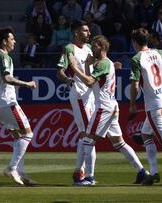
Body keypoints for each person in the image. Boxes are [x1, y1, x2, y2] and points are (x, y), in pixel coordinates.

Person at [68, 35, 149, 185]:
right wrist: (87, 65)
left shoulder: (103, 64)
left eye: (94, 46)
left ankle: (89, 178)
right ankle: (142, 172)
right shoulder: (107, 63)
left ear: (102, 47)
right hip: (110, 106)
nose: (92, 48)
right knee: (119, 143)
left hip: (104, 107)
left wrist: (74, 68)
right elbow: (91, 84)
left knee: (87, 140)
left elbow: (89, 81)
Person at [0, 27, 37, 186]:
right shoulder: (4, 57)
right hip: (8, 102)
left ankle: (21, 173)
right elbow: (7, 78)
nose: (14, 41)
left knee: (17, 137)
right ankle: (12, 168)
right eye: (12, 39)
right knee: (28, 134)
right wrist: (26, 84)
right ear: (4, 41)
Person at [129, 28, 162, 185]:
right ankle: (154, 173)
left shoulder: (136, 59)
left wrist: (133, 104)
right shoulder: (159, 53)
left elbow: (134, 85)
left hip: (154, 105)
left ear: (135, 42)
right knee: (146, 135)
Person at [56, 21, 95, 186]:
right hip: (79, 94)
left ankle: (81, 173)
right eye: (85, 30)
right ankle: (83, 176)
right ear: (76, 32)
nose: (89, 33)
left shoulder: (89, 49)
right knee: (88, 134)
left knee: (85, 135)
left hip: (91, 95)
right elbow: (59, 71)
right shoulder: (69, 48)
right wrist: (69, 81)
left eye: (88, 30)